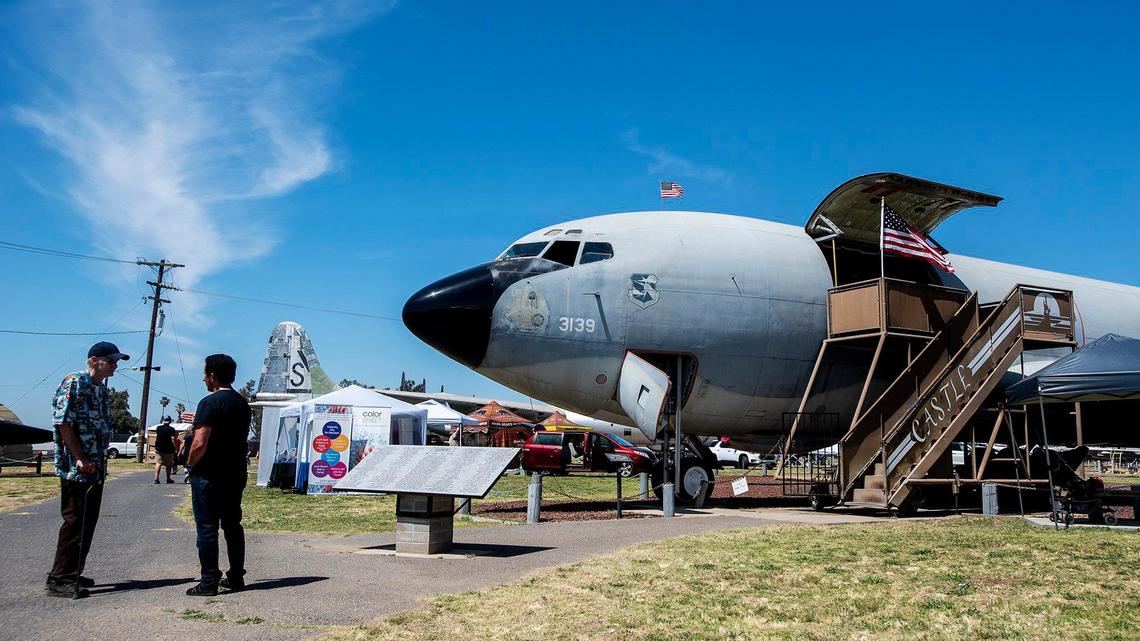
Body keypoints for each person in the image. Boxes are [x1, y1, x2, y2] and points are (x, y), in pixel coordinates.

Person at [45, 341, 129, 598]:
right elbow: (63, 424)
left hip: (96, 466)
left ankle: (73, 571)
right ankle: (60, 578)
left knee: (87, 521)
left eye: (116, 362)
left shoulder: (101, 389)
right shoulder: (75, 382)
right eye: (111, 361)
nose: (115, 366)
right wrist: (79, 458)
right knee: (74, 521)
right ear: (94, 360)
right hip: (76, 467)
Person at [186, 354, 251, 596]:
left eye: (205, 374)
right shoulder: (241, 404)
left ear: (212, 376)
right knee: (233, 525)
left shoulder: (209, 403)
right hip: (235, 473)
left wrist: (190, 464)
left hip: (209, 474)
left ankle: (209, 581)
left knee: (207, 527)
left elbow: (200, 442)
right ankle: (236, 575)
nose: (203, 378)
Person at [153, 416, 177, 484]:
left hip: (159, 449)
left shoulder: (158, 428)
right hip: (169, 450)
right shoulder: (171, 429)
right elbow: (173, 439)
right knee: (169, 465)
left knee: (158, 463)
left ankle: (156, 479)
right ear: (170, 421)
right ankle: (168, 479)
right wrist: (175, 448)